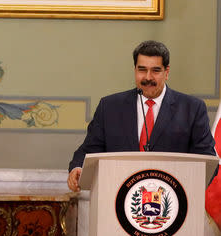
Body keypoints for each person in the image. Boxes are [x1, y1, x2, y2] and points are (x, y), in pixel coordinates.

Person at [67, 40, 216, 192]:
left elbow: (207, 160)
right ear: (135, 70)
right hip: (117, 197)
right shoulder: (109, 107)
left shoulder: (192, 108)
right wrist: (78, 168)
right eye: (142, 70)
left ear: (167, 72)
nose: (148, 77)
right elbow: (89, 150)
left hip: (173, 199)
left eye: (155, 70)